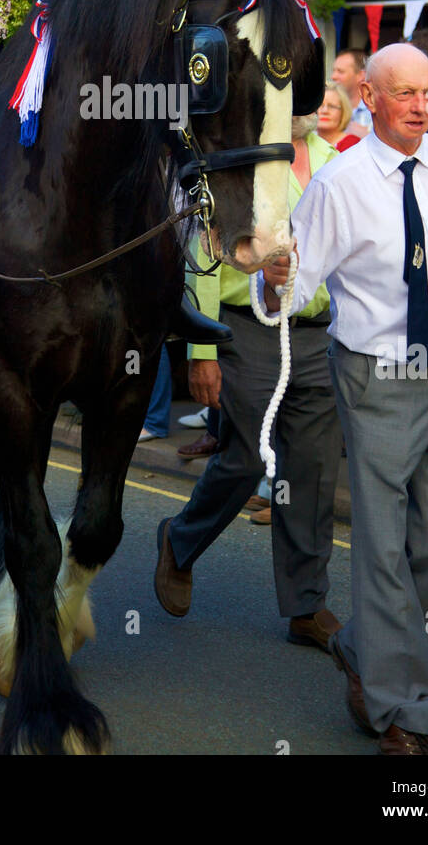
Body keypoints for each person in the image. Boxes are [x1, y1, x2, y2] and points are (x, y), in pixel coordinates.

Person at [261, 44, 428, 756]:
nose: (419, 105)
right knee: (380, 548)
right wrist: (273, 274)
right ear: (369, 99)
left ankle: (363, 646)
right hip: (374, 377)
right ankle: (402, 711)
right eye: (401, 93)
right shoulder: (340, 184)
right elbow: (291, 284)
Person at [154, 114, 343, 654]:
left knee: (311, 471)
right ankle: (179, 538)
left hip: (317, 334)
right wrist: (204, 348)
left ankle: (306, 606)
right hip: (245, 330)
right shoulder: (241, 157)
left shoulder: (336, 160)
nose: (309, 100)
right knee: (245, 461)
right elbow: (203, 253)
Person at [331, 49, 372, 134]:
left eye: (340, 72)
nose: (333, 76)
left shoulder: (375, 111)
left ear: (361, 75)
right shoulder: (326, 108)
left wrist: (367, 134)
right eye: (333, 71)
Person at [317, 81, 361, 151]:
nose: (325, 111)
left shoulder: (353, 145)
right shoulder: (305, 143)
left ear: (343, 111)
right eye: (320, 105)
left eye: (332, 106)